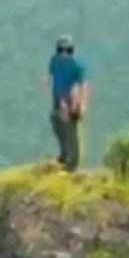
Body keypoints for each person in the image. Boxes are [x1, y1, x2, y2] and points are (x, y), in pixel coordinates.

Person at [47, 36, 90, 172]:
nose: (64, 53)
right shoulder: (55, 60)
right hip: (58, 97)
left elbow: (83, 85)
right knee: (56, 123)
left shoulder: (77, 65)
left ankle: (73, 163)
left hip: (72, 98)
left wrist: (81, 104)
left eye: (68, 50)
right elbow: (52, 75)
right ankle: (64, 154)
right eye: (61, 50)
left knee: (71, 129)